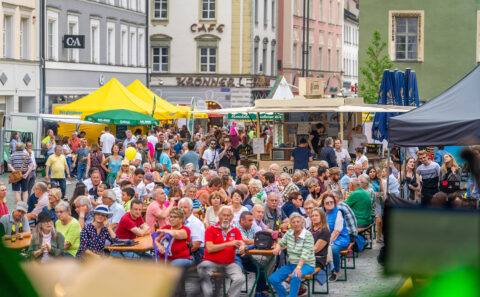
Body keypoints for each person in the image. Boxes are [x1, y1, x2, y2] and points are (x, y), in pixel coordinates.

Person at [197, 206, 246, 297]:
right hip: (211, 261)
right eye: (224, 215)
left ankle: (230, 295)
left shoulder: (235, 230)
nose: (226, 218)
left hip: (229, 263)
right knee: (201, 269)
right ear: (219, 216)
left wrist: (242, 246)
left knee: (240, 278)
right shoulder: (210, 229)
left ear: (232, 217)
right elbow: (209, 248)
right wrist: (228, 244)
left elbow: (241, 242)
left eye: (228, 215)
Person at [269, 212, 316, 297]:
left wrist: (298, 268)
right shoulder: (289, 233)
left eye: (298, 222)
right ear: (290, 224)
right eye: (293, 222)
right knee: (273, 279)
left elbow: (305, 253)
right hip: (291, 264)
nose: (296, 224)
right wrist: (278, 247)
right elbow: (281, 243)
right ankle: (284, 295)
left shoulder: (307, 235)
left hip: (306, 264)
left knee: (295, 276)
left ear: (302, 223)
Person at [322, 194, 350, 282]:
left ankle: (336, 271)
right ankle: (320, 270)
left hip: (340, 238)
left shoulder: (338, 212)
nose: (330, 204)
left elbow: (337, 231)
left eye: (332, 202)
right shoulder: (322, 212)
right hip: (326, 237)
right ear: (323, 204)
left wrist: (327, 242)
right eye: (327, 202)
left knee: (333, 249)